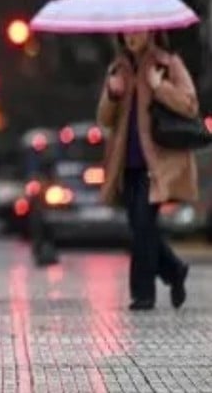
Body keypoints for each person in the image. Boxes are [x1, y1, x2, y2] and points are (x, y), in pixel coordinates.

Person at [97, 30, 196, 311]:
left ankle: (143, 294)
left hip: (156, 164)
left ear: (150, 31)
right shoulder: (117, 68)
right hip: (126, 164)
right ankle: (174, 270)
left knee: (143, 225)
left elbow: (190, 105)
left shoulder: (168, 63)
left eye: (137, 30)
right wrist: (112, 95)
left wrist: (159, 87)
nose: (131, 36)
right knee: (141, 228)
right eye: (126, 31)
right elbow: (104, 119)